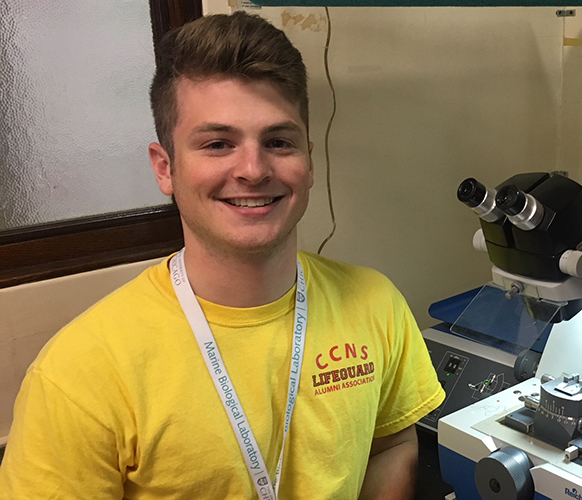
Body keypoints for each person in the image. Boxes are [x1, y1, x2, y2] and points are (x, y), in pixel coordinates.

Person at [0, 11, 444, 499]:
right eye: (217, 144)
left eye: (278, 141)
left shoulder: (376, 304)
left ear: (309, 161)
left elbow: (390, 446)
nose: (253, 170)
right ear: (165, 167)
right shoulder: (78, 373)